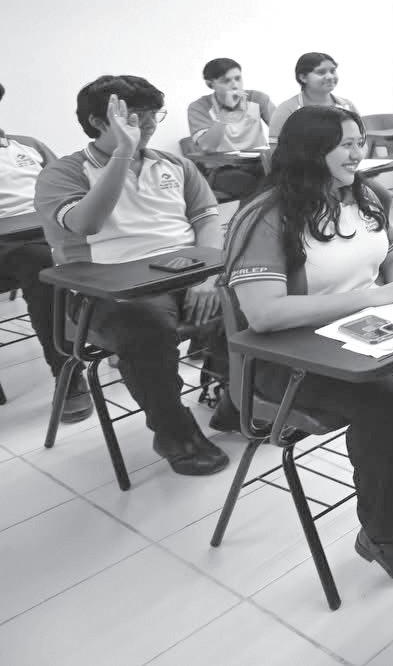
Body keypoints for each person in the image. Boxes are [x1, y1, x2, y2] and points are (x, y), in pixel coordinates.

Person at [224, 106, 393, 585]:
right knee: (384, 405)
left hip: (365, 332)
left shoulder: (364, 195)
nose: (358, 152)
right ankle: (387, 535)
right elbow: (263, 314)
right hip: (288, 357)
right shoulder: (265, 216)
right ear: (311, 151)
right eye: (345, 144)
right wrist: (369, 299)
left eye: (359, 141)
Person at [34, 75, 234, 476]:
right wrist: (123, 154)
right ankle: (174, 432)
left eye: (152, 115)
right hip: (108, 291)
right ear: (98, 122)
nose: (148, 126)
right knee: (144, 325)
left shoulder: (175, 164)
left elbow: (208, 221)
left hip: (188, 273)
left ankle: (238, 400)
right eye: (134, 118)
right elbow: (87, 223)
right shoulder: (62, 174)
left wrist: (208, 277)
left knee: (254, 298)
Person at [0, 84, 80, 420]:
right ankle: (69, 375)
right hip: (7, 245)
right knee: (42, 264)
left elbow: (68, 185)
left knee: (103, 243)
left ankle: (118, 341)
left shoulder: (28, 145)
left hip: (43, 232)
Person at [185, 58, 275, 200]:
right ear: (210, 84)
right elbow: (207, 147)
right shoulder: (199, 107)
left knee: (291, 176)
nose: (235, 85)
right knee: (254, 185)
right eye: (226, 81)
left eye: (238, 79)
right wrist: (225, 113)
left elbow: (283, 129)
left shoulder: (257, 98)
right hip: (222, 168)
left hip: (260, 163)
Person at [270, 52, 357, 145]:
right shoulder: (287, 110)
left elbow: (361, 141)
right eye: (321, 72)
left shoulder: (347, 106)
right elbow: (275, 147)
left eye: (333, 71)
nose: (330, 77)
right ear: (303, 77)